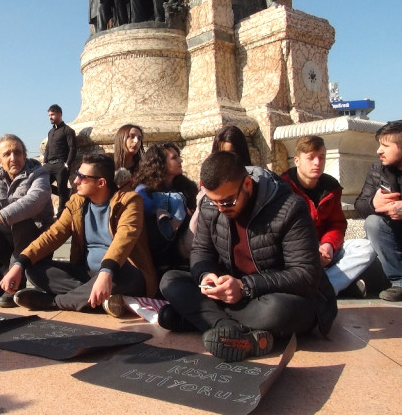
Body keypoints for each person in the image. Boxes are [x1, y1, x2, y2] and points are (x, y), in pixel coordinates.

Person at [159, 151, 337, 362]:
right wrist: (205, 276)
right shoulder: (211, 205)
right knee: (170, 281)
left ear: (247, 185)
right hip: (234, 294)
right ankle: (231, 330)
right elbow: (201, 251)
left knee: (278, 310)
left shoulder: (290, 208)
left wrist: (244, 287)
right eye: (214, 201)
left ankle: (203, 320)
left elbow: (305, 275)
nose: (220, 209)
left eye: (227, 202)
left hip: (277, 296)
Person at [2, 154, 157, 316]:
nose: (75, 181)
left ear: (101, 183)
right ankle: (102, 299)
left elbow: (124, 239)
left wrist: (106, 273)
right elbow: (52, 236)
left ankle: (54, 302)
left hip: (122, 273)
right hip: (87, 273)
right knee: (33, 269)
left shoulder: (129, 201)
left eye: (82, 177)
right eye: (77, 174)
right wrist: (20, 264)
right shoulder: (77, 202)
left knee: (125, 275)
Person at [0, 134, 54, 308]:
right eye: (7, 154)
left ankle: (15, 284)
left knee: (21, 220)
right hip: (5, 243)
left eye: (17, 153)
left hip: (34, 244)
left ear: (24, 156)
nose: (13, 158)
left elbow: (34, 201)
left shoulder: (39, 174)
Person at [282, 136, 378, 296]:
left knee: (366, 248)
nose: (317, 163)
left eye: (321, 157)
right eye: (311, 158)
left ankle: (325, 286)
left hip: (324, 249)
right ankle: (338, 284)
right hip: (297, 250)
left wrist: (328, 245)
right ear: (297, 160)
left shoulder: (331, 187)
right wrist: (311, 247)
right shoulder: (281, 187)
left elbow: (337, 224)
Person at [134, 142, 198, 277]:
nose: (180, 160)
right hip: (157, 255)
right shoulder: (144, 192)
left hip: (183, 250)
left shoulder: (187, 188)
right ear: (160, 163)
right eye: (174, 158)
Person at [355, 120, 402, 301]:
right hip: (391, 243)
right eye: (379, 145)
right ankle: (399, 282)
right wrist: (373, 203)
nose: (378, 150)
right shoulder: (377, 169)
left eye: (385, 145)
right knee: (373, 222)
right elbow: (360, 206)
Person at [43, 104, 77, 217]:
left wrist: (67, 164)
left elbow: (73, 147)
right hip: (49, 165)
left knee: (62, 191)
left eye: (52, 114)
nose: (50, 117)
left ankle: (61, 216)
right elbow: (48, 147)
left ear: (59, 114)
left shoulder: (68, 130)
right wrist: (44, 161)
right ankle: (68, 193)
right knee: (42, 184)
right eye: (49, 115)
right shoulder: (50, 132)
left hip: (61, 165)